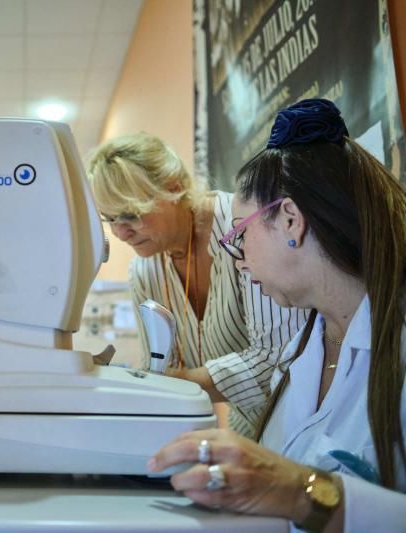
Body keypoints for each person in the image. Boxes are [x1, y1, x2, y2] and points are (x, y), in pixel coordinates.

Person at [148, 98, 406, 531]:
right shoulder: (300, 352)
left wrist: (301, 492)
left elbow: (298, 489)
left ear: (290, 220)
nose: (238, 258)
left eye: (240, 234)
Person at [86, 132, 308, 437]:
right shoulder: (145, 271)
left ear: (173, 188)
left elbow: (278, 358)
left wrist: (170, 382)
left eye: (130, 215)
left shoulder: (244, 229)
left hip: (306, 419)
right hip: (248, 429)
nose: (121, 234)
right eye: (109, 219)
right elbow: (160, 368)